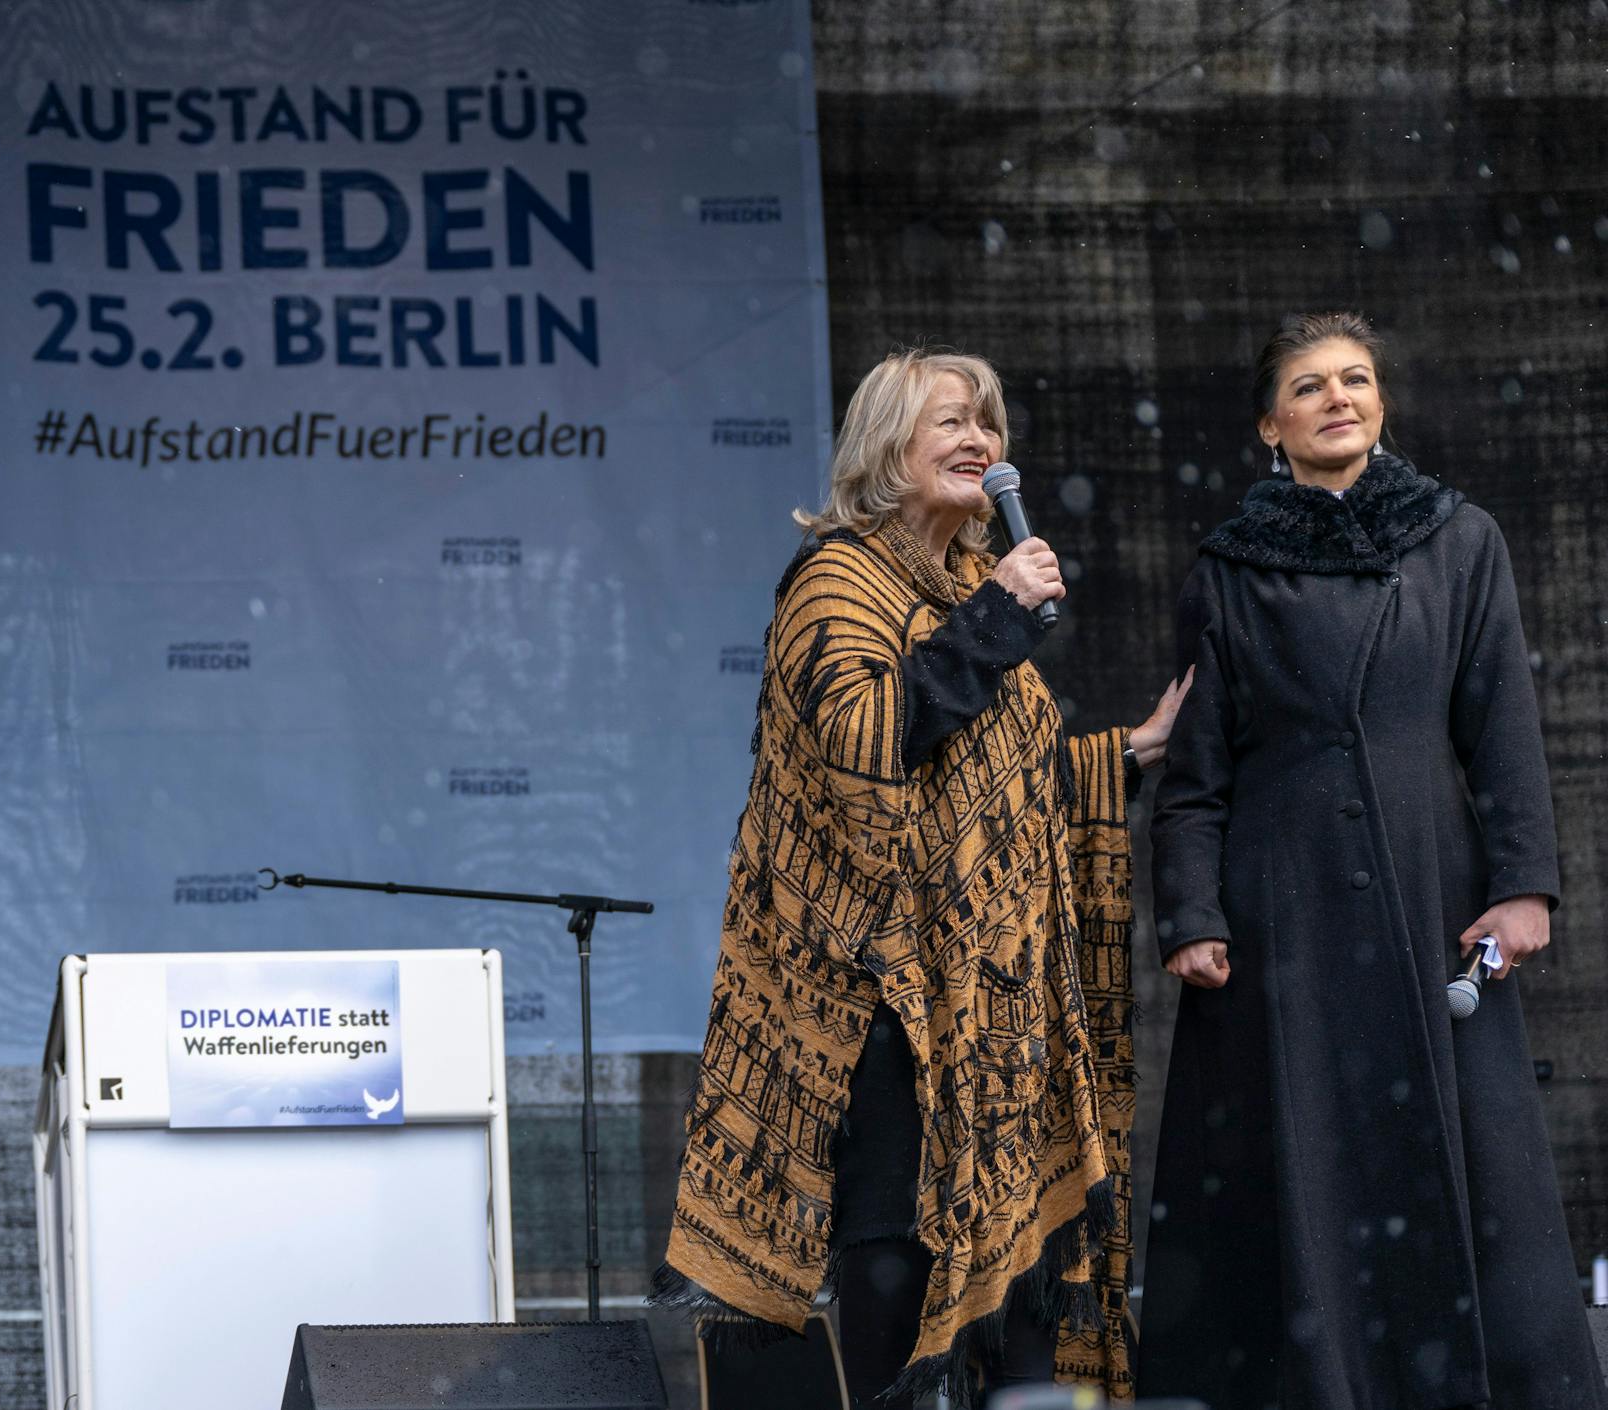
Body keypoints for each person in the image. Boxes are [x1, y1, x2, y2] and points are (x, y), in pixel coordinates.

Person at [653, 348, 1188, 1406]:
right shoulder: (837, 580)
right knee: (895, 1254)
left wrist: (1120, 756)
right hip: (882, 996)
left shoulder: (957, 595)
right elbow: (865, 741)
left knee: (1022, 1284)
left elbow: (993, 790)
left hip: (991, 1009)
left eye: (985, 422)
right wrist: (990, 618)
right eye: (945, 420)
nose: (975, 440)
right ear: (883, 450)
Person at [1141, 311, 1606, 1410]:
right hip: (1280, 913)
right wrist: (1191, 914)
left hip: (1428, 892)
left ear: (1380, 405)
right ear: (1270, 424)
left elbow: (1500, 726)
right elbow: (1196, 778)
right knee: (1300, 1171)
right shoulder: (1226, 568)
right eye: (1307, 387)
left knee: (1465, 1160)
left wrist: (1520, 886)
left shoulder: (1456, 539)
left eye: (1353, 380)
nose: (1335, 398)